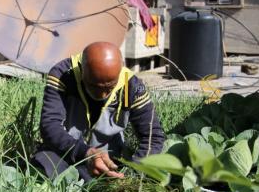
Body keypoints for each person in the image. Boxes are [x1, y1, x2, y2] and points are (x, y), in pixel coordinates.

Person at [32, 42, 165, 182]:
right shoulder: (63, 74)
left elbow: (153, 136)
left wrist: (134, 174)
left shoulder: (131, 86)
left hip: (110, 159)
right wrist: (85, 153)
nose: (101, 95)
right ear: (82, 71)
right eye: (93, 85)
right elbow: (49, 125)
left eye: (109, 88)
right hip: (68, 151)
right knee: (44, 163)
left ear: (120, 72)